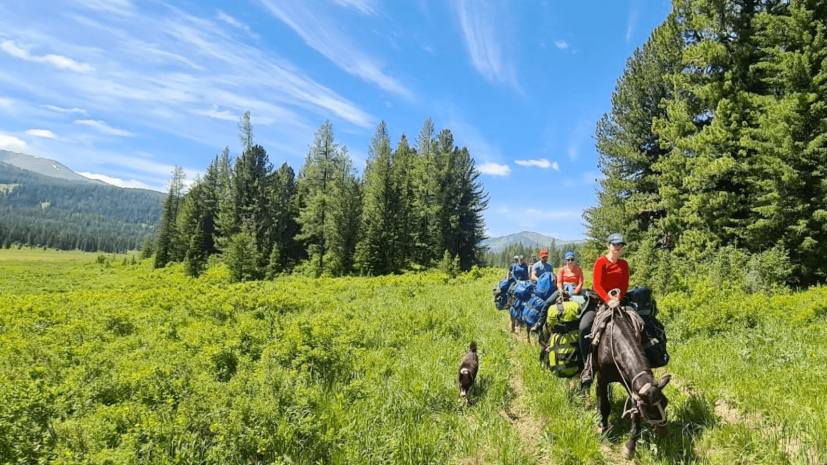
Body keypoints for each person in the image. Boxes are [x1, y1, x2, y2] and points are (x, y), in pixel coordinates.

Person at [580, 233, 629, 387]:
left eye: (620, 245)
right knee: (584, 327)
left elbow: (624, 284)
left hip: (618, 300)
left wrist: (617, 298)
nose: (617, 247)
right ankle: (587, 365)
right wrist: (608, 300)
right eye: (615, 244)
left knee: (640, 323)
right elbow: (597, 285)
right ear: (608, 245)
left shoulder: (624, 264)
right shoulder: (601, 261)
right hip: (599, 301)